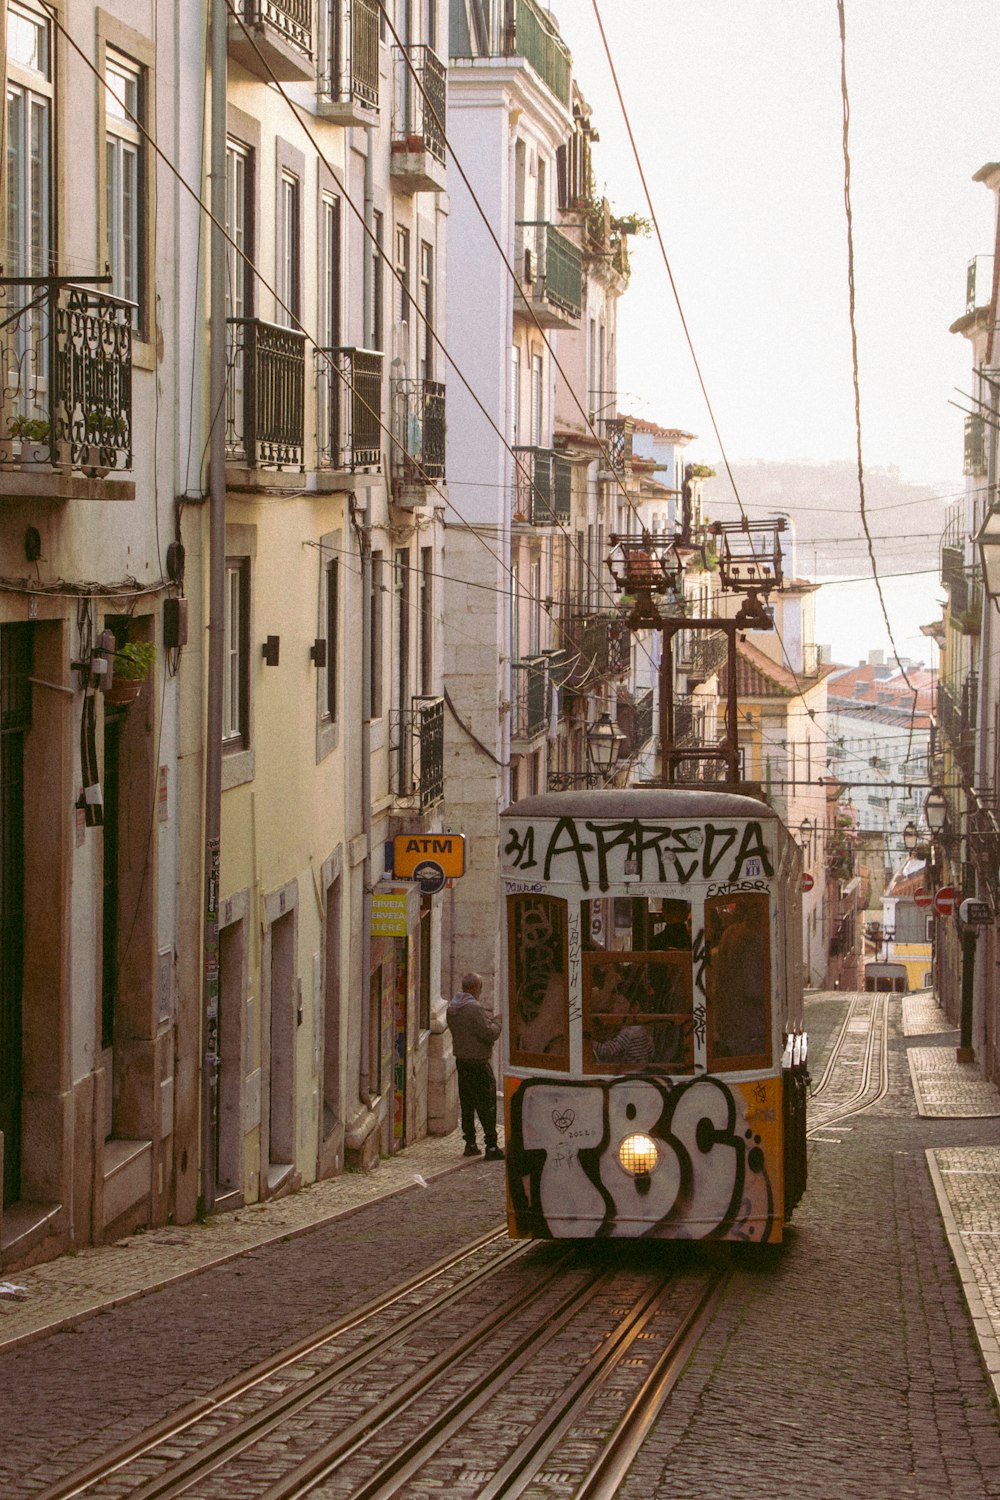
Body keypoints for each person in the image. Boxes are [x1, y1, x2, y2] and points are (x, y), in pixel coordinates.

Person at [447, 972, 504, 1160]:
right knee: (487, 1103)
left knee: (468, 1103)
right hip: (478, 1063)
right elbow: (488, 1033)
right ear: (473, 988)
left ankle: (470, 1143)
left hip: (462, 1062)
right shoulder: (474, 1008)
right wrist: (498, 1022)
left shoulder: (453, 1007)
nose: (481, 991)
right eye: (480, 987)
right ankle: (491, 1146)